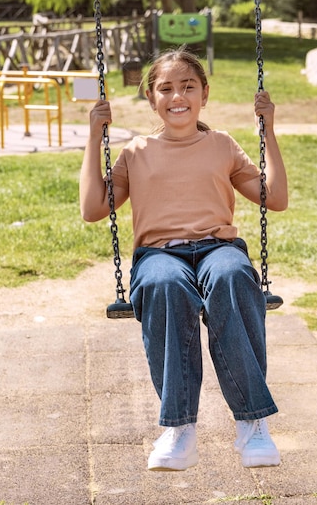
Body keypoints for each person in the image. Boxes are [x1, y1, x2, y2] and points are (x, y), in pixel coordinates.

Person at [79, 47, 288, 472]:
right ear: (152, 98)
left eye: (188, 87)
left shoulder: (222, 144)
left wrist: (268, 130)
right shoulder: (135, 152)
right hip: (159, 255)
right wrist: (93, 135)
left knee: (232, 274)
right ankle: (180, 429)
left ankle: (252, 423)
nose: (178, 96)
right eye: (166, 88)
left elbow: (276, 198)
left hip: (218, 249)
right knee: (163, 284)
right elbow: (93, 209)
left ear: (204, 94)